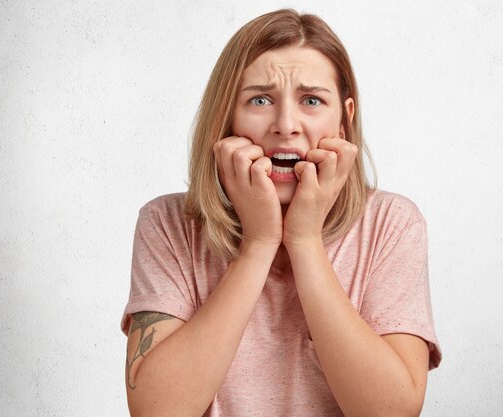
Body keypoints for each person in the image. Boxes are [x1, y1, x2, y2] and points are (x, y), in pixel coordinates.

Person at [121, 8, 441, 417]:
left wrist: (304, 241)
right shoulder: (166, 224)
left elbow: (392, 411)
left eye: (311, 100)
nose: (285, 124)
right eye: (259, 99)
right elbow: (156, 411)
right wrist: (258, 243)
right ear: (227, 119)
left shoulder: (392, 223)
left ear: (345, 119)